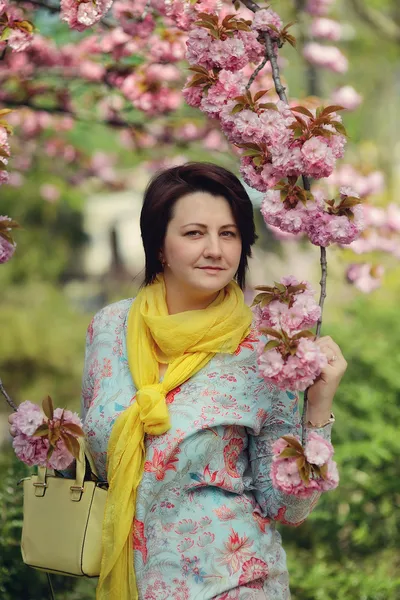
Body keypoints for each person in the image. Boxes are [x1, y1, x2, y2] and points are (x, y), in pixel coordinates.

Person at [9, 162, 347, 600]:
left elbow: (288, 506)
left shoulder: (266, 351)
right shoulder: (111, 329)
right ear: (160, 246)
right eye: (194, 233)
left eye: (228, 233)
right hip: (133, 580)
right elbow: (101, 453)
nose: (215, 250)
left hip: (232, 583)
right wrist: (54, 442)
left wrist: (317, 411)